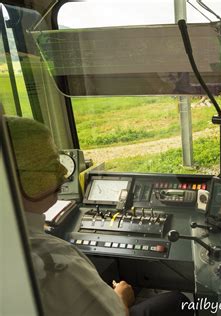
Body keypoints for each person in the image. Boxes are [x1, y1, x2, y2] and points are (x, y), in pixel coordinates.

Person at [6, 116, 192, 316]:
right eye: (51, 164)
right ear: (16, 178)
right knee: (177, 300)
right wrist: (121, 298)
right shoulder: (57, 261)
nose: (62, 171)